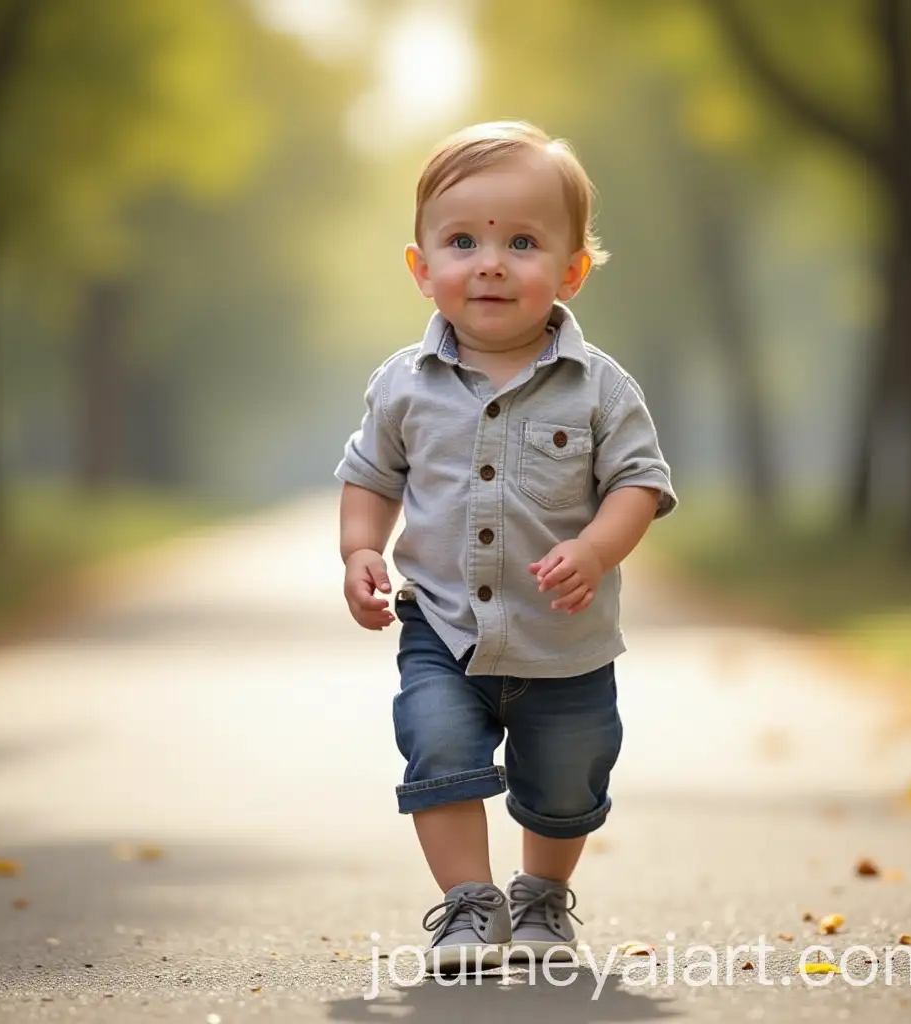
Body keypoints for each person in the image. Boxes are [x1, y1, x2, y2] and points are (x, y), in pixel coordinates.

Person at [334, 120, 677, 974]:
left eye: (521, 242)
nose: (489, 261)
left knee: (567, 779)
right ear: (422, 269)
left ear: (571, 271)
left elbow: (640, 483)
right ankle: (466, 904)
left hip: (565, 637)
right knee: (437, 746)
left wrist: (597, 549)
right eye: (462, 241)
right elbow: (370, 475)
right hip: (442, 628)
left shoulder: (601, 387)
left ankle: (539, 899)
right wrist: (358, 551)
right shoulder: (402, 386)